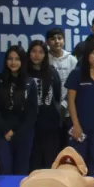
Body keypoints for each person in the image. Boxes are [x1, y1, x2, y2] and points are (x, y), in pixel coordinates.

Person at [0, 46, 38, 175]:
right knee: (4, 169)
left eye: (17, 59)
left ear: (23, 61)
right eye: (10, 59)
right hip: (1, 134)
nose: (13, 62)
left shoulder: (30, 82)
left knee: (21, 171)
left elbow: (32, 112)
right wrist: (5, 130)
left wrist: (18, 133)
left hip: (23, 134)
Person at [66, 39, 94, 175]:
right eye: (93, 53)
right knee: (77, 165)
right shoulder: (77, 74)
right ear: (87, 55)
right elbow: (70, 101)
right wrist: (75, 124)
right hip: (80, 127)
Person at [27, 40, 62, 170]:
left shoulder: (52, 72)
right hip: (30, 124)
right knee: (33, 160)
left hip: (50, 123)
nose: (37, 55)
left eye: (41, 52)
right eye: (34, 51)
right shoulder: (24, 72)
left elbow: (57, 95)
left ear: (45, 55)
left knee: (50, 160)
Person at [46, 28, 77, 147]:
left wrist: (65, 103)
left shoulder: (71, 60)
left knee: (69, 145)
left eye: (59, 38)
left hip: (68, 110)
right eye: (53, 39)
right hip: (50, 110)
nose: (57, 41)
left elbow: (75, 85)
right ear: (47, 42)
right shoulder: (45, 59)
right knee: (53, 145)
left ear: (64, 40)